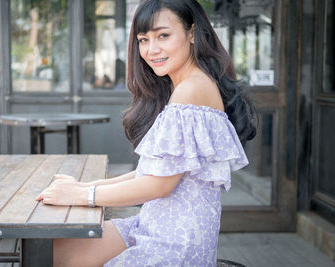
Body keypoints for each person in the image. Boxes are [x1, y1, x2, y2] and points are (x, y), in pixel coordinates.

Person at [35, 0, 256, 266]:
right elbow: (152, 172)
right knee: (56, 252)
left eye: (163, 35)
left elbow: (159, 185)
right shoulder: (189, 86)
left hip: (172, 246)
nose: (152, 50)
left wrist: (81, 196)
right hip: (153, 228)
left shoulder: (191, 91)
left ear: (192, 33)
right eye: (143, 39)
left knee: (48, 254)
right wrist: (81, 187)